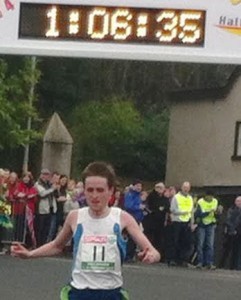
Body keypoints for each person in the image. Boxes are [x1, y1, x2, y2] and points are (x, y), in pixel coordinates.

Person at [11, 162, 160, 300]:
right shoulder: (75, 217)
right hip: (79, 292)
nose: (94, 195)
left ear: (111, 191)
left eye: (100, 190)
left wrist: (151, 255)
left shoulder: (122, 218)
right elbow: (57, 245)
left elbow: (153, 251)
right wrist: (29, 254)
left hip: (111, 293)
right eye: (90, 190)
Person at [195, 190, 222, 270]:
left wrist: (217, 212)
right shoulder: (200, 202)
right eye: (209, 196)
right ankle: (200, 262)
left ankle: (209, 263)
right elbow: (198, 214)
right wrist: (208, 212)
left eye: (212, 196)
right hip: (202, 225)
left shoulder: (215, 201)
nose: (210, 198)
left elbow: (217, 214)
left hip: (211, 224)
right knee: (200, 244)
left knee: (210, 245)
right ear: (205, 196)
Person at [169, 181, 194, 267]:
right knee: (175, 241)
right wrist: (182, 212)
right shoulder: (176, 197)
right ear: (181, 187)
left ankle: (182, 260)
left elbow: (191, 212)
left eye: (188, 187)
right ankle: (173, 259)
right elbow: (172, 209)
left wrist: (192, 223)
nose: (186, 189)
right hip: (177, 221)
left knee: (185, 242)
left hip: (186, 222)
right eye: (185, 187)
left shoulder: (190, 198)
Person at [123, 179, 144, 262]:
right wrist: (138, 207)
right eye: (137, 186)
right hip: (131, 218)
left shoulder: (138, 195)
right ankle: (127, 256)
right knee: (130, 237)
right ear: (133, 186)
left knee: (134, 238)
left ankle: (131, 255)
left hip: (137, 219)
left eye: (140, 186)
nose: (139, 187)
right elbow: (128, 206)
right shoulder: (130, 194)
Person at [219, 196, 241, 270]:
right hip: (230, 233)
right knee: (227, 249)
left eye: (240, 201)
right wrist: (232, 230)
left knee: (237, 250)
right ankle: (221, 265)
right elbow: (228, 221)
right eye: (238, 201)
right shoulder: (231, 210)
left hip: (239, 233)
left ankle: (234, 266)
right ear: (235, 202)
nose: (239, 203)